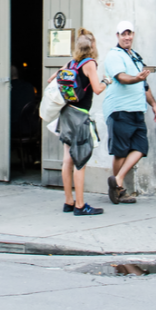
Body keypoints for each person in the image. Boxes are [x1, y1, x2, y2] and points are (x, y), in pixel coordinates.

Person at [48, 30, 108, 216]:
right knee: (80, 161)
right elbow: (97, 89)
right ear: (91, 47)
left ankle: (68, 202)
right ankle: (80, 205)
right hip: (80, 116)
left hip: (66, 113)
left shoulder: (71, 63)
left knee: (67, 160)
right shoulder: (89, 64)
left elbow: (52, 79)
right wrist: (107, 81)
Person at [103, 21, 156, 205]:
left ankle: (117, 180)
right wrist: (136, 77)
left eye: (129, 34)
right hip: (120, 110)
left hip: (137, 110)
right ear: (117, 36)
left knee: (141, 147)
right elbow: (121, 77)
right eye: (123, 34)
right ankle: (117, 190)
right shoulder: (114, 55)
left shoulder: (135, 56)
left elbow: (144, 85)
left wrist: (153, 104)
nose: (127, 37)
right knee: (120, 152)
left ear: (133, 35)